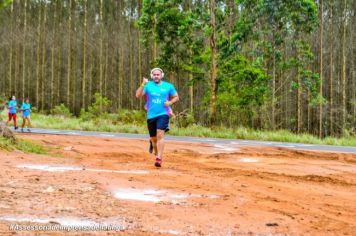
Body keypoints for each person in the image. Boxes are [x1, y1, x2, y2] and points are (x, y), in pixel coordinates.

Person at [136, 68, 179, 167]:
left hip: (163, 113)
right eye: (154, 74)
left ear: (161, 75)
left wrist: (170, 102)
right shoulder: (148, 86)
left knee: (160, 134)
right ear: (152, 76)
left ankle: (159, 158)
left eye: (158, 75)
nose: (156, 76)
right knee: (154, 139)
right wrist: (143, 84)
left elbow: (176, 96)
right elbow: (138, 95)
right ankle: (154, 149)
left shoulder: (168, 86)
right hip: (151, 115)